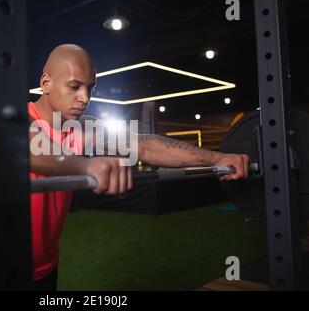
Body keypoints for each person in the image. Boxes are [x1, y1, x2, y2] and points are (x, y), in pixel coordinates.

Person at [28, 44, 249, 291]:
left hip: (46, 267)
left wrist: (217, 159)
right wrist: (84, 165)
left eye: (90, 88)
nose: (85, 98)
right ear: (46, 82)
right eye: (74, 86)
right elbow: (32, 150)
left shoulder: (80, 127)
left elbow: (146, 146)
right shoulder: (20, 119)